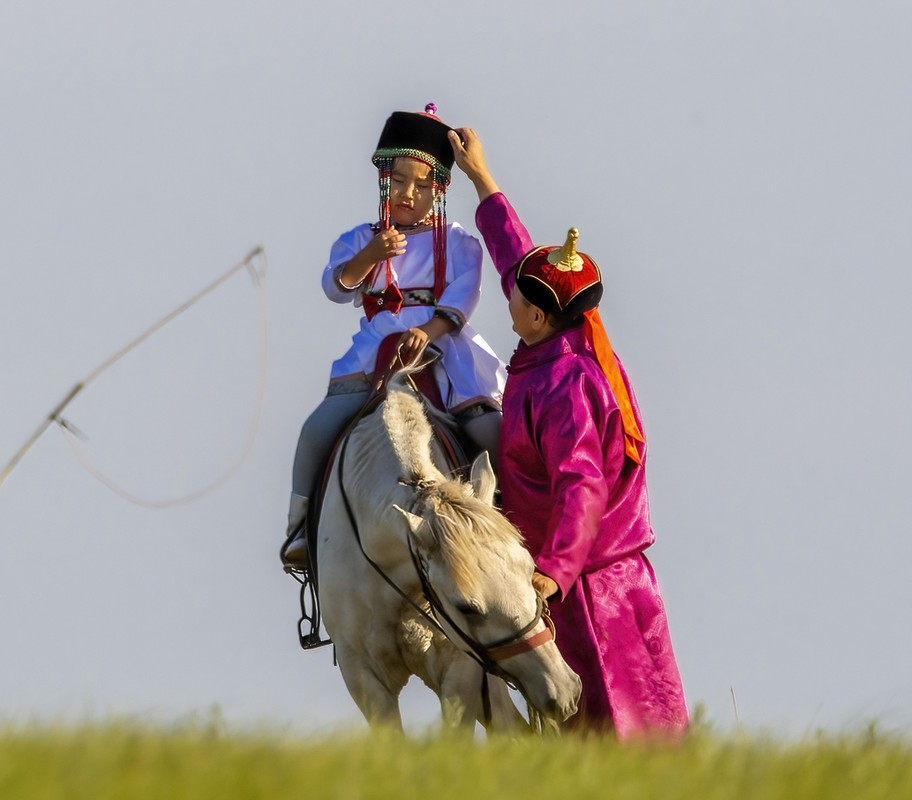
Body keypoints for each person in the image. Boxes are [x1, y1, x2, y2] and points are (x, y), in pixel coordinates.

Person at [447, 127, 689, 739]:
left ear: (537, 314)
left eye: (517, 298)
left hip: (590, 590)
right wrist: (481, 177)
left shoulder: (568, 387)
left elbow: (583, 486)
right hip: (589, 578)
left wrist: (551, 574)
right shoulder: (559, 332)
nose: (507, 297)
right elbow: (516, 258)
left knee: (620, 741)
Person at [281, 106, 506, 566]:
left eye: (423, 186)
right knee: (317, 428)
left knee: (492, 430)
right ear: (383, 179)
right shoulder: (359, 239)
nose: (408, 194)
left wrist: (430, 329)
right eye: (399, 181)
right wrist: (370, 255)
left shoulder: (461, 243)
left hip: (445, 348)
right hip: (378, 349)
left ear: (439, 190)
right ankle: (300, 527)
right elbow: (336, 288)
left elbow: (465, 296)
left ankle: (521, 527)